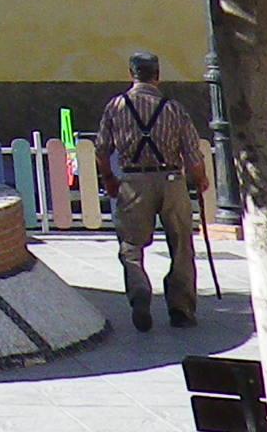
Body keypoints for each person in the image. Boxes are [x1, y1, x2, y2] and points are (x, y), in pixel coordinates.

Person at [96, 50, 209, 330]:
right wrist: (200, 179)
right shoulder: (173, 108)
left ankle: (139, 291)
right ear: (157, 76)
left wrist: (109, 177)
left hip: (133, 181)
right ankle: (181, 308)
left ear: (131, 74)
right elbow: (192, 153)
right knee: (181, 245)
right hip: (171, 179)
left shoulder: (116, 107)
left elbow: (101, 149)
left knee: (131, 246)